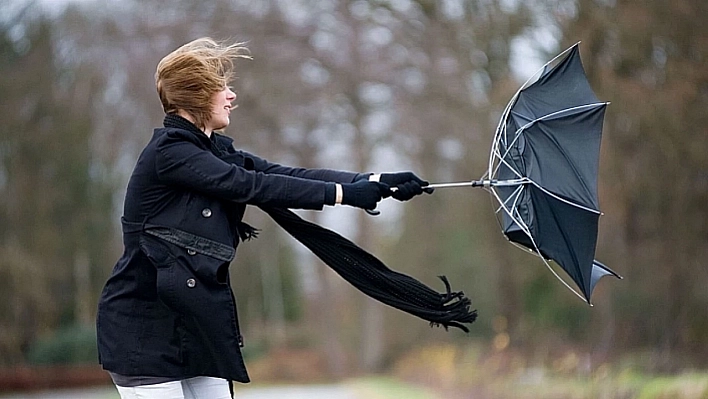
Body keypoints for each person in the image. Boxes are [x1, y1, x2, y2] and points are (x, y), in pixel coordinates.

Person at [96, 37, 432, 399]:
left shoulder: (214, 151)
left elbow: (282, 174)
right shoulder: (170, 154)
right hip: (144, 332)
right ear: (196, 95)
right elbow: (248, 185)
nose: (231, 95)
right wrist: (344, 195)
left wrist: (371, 181)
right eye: (221, 87)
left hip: (195, 329)